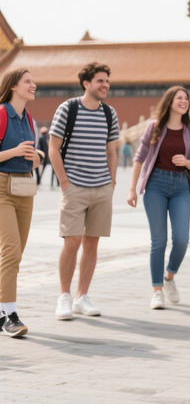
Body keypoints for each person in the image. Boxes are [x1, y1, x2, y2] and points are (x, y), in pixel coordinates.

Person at [49, 62, 119, 320]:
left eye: (107, 81)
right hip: (75, 187)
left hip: (102, 187)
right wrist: (65, 182)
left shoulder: (110, 113)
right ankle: (64, 297)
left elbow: (111, 151)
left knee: (92, 243)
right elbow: (53, 148)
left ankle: (82, 297)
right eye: (100, 81)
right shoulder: (68, 108)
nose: (105, 85)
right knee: (72, 241)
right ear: (86, 83)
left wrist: (111, 183)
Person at [127, 86, 190, 309]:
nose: (184, 101)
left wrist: (186, 163)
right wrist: (132, 189)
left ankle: (169, 276)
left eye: (186, 98)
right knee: (158, 241)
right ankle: (157, 290)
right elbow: (139, 158)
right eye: (179, 98)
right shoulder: (154, 127)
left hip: (180, 186)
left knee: (181, 239)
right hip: (156, 185)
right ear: (169, 102)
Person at [0, 69, 43, 337]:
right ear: (14, 85)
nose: (33, 85)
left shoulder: (29, 119)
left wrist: (36, 157)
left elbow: (36, 156)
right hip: (2, 187)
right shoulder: (2, 114)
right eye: (28, 81)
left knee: (16, 254)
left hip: (25, 188)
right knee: (11, 250)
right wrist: (15, 152)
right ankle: (9, 315)